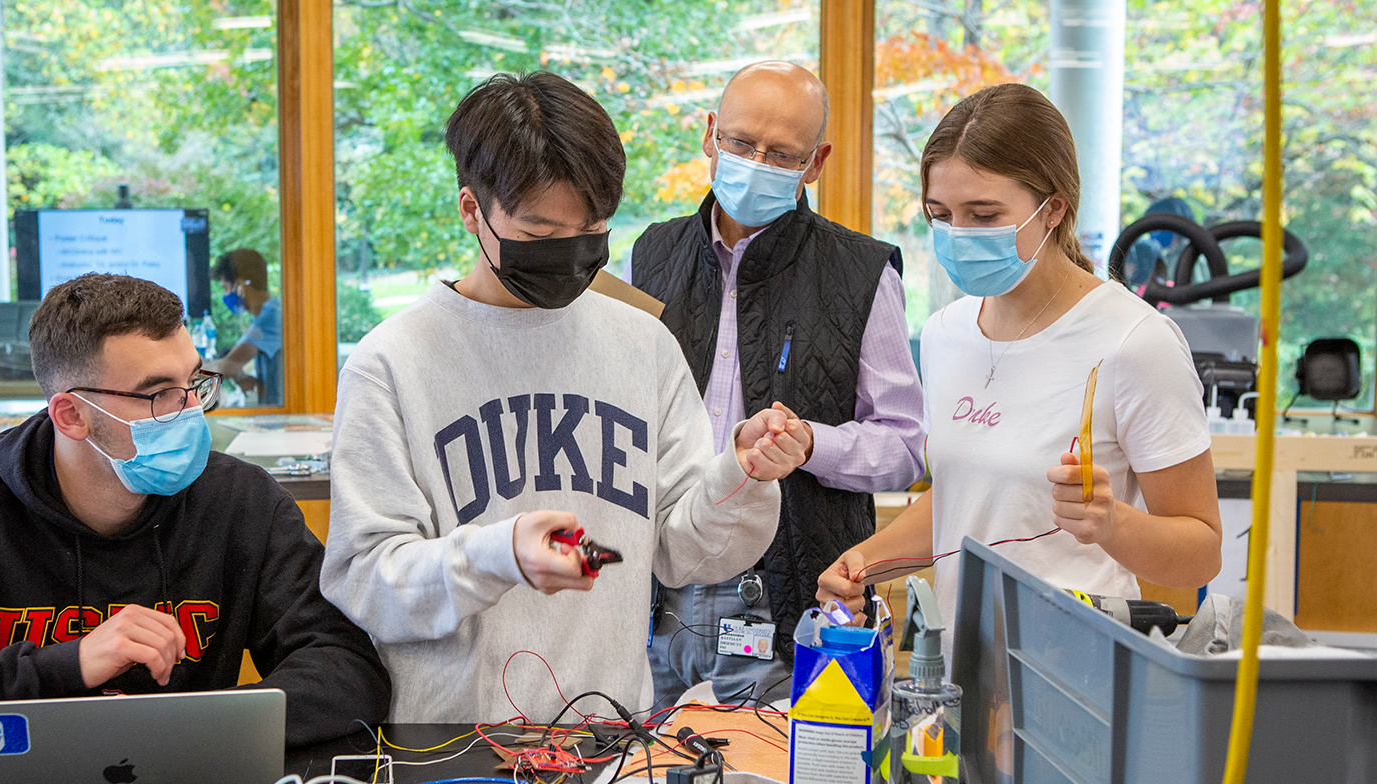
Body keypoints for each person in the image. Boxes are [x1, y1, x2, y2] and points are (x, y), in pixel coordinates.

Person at [320, 72, 810, 724]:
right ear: (472, 210)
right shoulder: (393, 364)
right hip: (453, 743)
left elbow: (687, 549)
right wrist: (499, 556)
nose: (571, 256)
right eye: (541, 234)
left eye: (593, 229)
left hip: (610, 734)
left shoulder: (643, 346)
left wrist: (741, 475)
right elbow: (366, 581)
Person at [0, 273, 389, 761]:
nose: (190, 411)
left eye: (193, 383)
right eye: (159, 393)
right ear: (70, 415)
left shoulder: (242, 504)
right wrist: (72, 665)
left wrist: (193, 730)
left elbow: (347, 667)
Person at [816, 83, 1222, 644]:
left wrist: (1113, 523)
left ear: (1053, 207)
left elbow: (1200, 553)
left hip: (1082, 672)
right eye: (941, 214)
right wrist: (864, 562)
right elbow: (965, 500)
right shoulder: (944, 334)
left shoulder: (1135, 342)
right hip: (965, 671)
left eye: (983, 215)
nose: (958, 235)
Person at [627, 62, 925, 704]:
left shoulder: (862, 274)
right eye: (739, 143)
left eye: (781, 153)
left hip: (786, 599)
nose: (755, 162)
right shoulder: (651, 257)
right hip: (657, 591)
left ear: (814, 162)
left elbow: (904, 449)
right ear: (709, 135)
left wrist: (812, 445)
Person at [209, 248, 283, 406]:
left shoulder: (270, 317)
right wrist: (240, 376)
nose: (225, 295)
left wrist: (192, 369)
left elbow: (228, 365)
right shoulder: (267, 313)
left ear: (240, 286)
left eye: (226, 288)